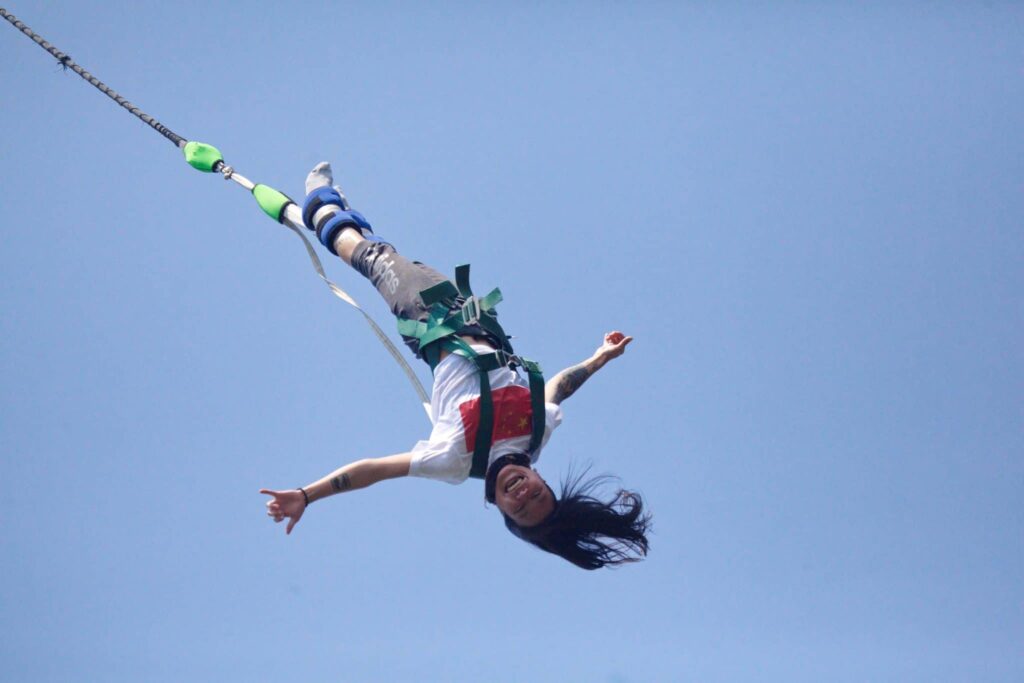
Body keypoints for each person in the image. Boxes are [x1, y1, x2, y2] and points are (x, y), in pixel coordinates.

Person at [260, 163, 651, 569]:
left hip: (429, 320)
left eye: (519, 508)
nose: (523, 494)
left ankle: (319, 206)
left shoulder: (454, 460)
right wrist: (598, 359)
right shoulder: (536, 434)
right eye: (537, 494)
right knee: (386, 253)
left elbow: (373, 471)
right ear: (543, 481)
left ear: (500, 507)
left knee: (369, 257)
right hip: (472, 315)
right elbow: (555, 390)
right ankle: (337, 212)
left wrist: (307, 495)